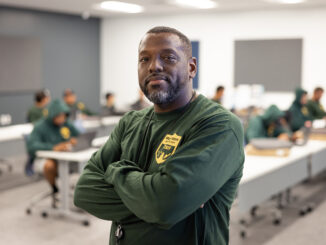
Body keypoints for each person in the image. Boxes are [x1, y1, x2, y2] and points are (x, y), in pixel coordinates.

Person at [74, 26, 244, 245]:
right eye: (144, 59)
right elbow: (85, 192)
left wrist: (116, 171)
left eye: (168, 57)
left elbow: (166, 205)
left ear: (191, 68)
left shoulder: (219, 125)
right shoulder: (130, 123)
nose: (154, 66)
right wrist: (154, 201)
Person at [27, 99, 80, 194]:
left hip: (65, 157)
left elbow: (78, 135)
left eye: (64, 116)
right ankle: (55, 189)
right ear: (52, 115)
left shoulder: (65, 123)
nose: (62, 119)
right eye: (59, 117)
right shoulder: (40, 126)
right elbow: (32, 146)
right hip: (46, 159)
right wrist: (53, 147)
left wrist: (74, 141)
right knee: (49, 166)